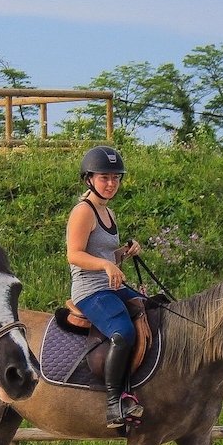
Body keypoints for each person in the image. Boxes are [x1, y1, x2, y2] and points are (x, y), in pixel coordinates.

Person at [66, 145, 146, 427]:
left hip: (110, 285)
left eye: (116, 178)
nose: (111, 183)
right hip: (90, 290)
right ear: (89, 179)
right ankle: (114, 403)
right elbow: (74, 254)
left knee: (154, 309)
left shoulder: (108, 212)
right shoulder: (84, 211)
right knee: (122, 331)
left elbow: (104, 254)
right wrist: (106, 265)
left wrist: (124, 254)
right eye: (104, 177)